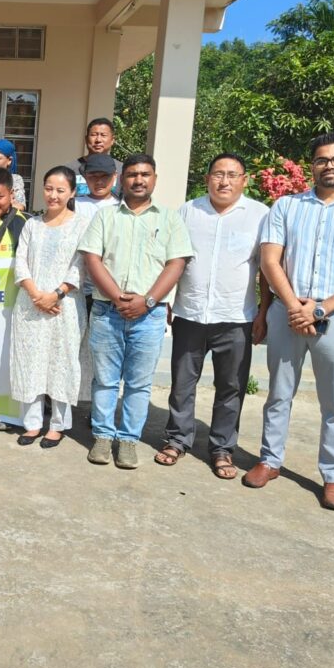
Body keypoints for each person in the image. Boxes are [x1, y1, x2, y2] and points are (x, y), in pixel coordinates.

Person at [244, 132, 334, 510]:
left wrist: (320, 309)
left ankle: (333, 475)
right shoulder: (287, 207)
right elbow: (270, 260)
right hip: (287, 314)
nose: (330, 165)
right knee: (278, 393)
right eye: (322, 159)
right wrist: (295, 307)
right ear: (312, 165)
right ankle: (269, 460)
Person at [155, 153, 271, 479]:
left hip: (236, 316)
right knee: (182, 383)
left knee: (231, 386)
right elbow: (171, 258)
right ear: (207, 179)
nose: (224, 181)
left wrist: (263, 312)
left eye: (232, 175)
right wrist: (166, 298)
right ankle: (177, 439)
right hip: (190, 313)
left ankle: (222, 448)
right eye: (218, 174)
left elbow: (267, 268)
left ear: (244, 180)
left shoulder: (260, 216)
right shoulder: (188, 211)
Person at [78, 153, 193, 469]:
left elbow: (177, 263)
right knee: (105, 380)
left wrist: (149, 301)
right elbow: (92, 259)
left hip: (150, 315)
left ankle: (128, 441)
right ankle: (103, 436)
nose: (138, 180)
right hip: (106, 311)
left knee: (139, 383)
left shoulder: (170, 219)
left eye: (145, 174)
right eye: (131, 174)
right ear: (121, 179)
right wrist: (117, 297)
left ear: (154, 178)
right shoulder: (105, 217)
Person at [10, 167, 89, 448]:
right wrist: (36, 294)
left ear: (71, 193)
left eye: (60, 190)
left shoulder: (82, 225)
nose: (53, 195)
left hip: (64, 307)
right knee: (30, 362)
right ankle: (31, 423)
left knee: (61, 364)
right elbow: (20, 261)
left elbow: (81, 265)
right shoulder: (32, 224)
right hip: (31, 305)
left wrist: (57, 294)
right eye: (48, 188)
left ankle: (57, 425)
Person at [73, 154, 121, 316]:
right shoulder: (74, 205)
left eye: (104, 176)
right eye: (93, 176)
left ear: (115, 177)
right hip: (78, 289)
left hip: (112, 292)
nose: (99, 182)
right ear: (85, 177)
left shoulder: (123, 206)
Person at [70, 118, 123, 197]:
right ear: (86, 139)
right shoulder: (69, 170)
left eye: (103, 135)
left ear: (112, 140)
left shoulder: (122, 169)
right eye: (94, 135)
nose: (98, 140)